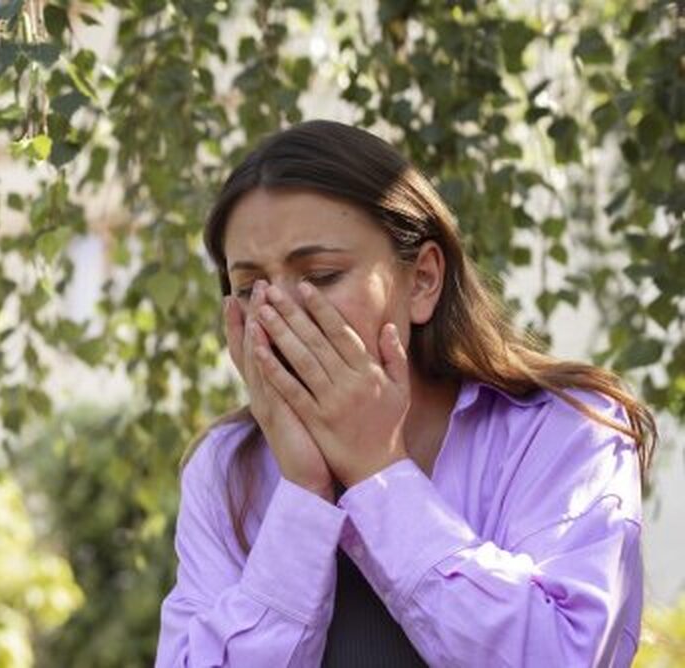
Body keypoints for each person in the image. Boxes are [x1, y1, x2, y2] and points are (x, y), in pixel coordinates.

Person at [153, 120, 656, 667]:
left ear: (422, 281)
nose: (279, 312)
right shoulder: (228, 467)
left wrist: (378, 472)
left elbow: (562, 656)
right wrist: (303, 497)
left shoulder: (567, 431)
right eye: (250, 288)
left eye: (320, 276)